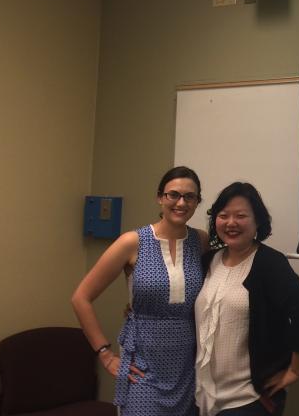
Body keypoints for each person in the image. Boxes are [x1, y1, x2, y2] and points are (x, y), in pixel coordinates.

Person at [72, 166, 208, 416]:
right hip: (142, 366)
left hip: (186, 367)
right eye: (173, 195)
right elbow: (81, 298)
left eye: (189, 197)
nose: (181, 202)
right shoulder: (132, 242)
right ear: (160, 197)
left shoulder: (200, 241)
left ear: (197, 202)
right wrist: (105, 354)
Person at [195, 182, 299, 416]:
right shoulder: (208, 260)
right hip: (202, 393)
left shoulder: (270, 263)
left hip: (247, 399)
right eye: (223, 216)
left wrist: (295, 371)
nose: (231, 223)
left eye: (241, 216)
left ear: (258, 222)